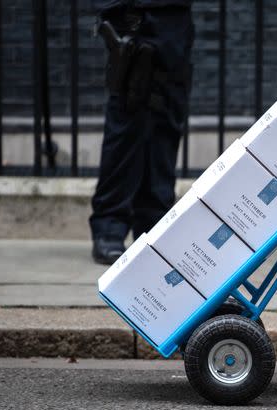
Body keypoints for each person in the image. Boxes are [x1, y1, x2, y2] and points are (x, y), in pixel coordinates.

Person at [90, 0, 194, 264]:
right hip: (135, 11)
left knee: (166, 119)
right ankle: (109, 228)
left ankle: (154, 228)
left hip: (174, 14)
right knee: (128, 117)